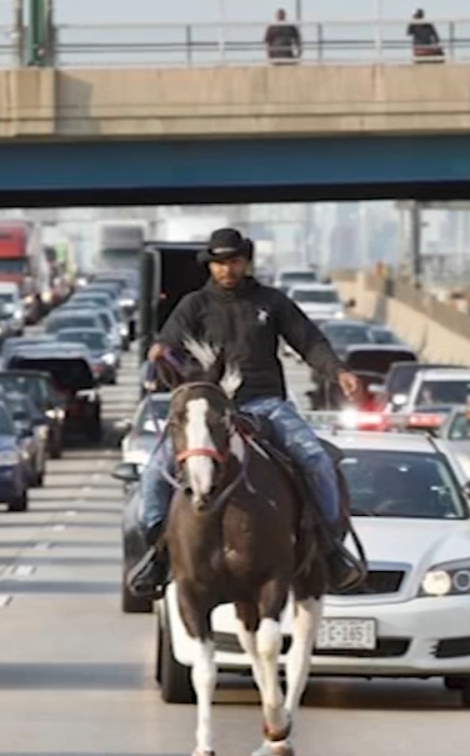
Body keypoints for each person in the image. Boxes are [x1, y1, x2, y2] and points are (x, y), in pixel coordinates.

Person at [126, 228, 365, 600]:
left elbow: (309, 341)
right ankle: (158, 553)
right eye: (220, 263)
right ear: (211, 265)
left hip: (265, 404)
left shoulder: (272, 302)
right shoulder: (194, 305)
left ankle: (331, 548)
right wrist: (158, 352)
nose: (227, 269)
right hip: (209, 411)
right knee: (157, 469)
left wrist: (338, 370)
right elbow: (166, 343)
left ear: (246, 261)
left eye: (234, 261)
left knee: (315, 458)